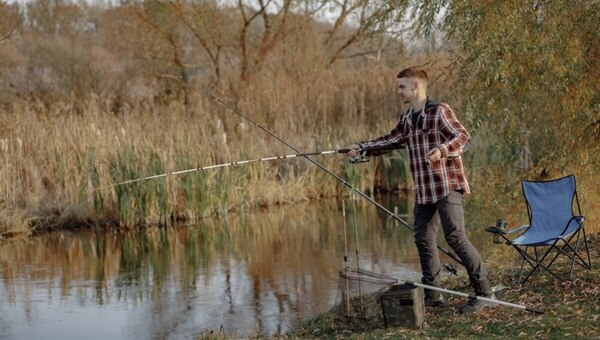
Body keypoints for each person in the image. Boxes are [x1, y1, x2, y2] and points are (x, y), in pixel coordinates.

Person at [346, 67, 495, 314]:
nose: (399, 91)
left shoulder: (438, 111)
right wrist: (361, 148)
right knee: (423, 239)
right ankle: (434, 297)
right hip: (425, 191)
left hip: (446, 185)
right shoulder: (407, 119)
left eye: (402, 86)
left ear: (416, 86)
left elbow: (463, 136)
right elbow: (389, 140)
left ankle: (485, 292)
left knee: (455, 237)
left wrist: (442, 150)